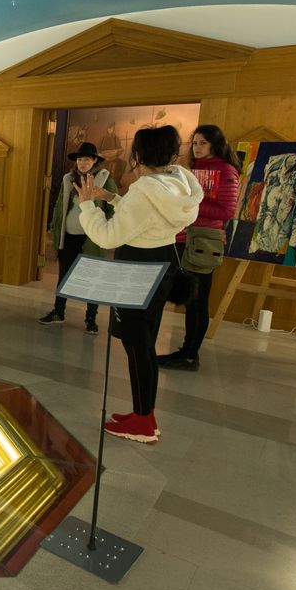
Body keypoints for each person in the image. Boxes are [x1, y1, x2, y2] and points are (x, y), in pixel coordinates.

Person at [75, 125, 203, 444]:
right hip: (163, 263)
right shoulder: (178, 182)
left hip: (137, 271)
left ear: (139, 155)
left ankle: (143, 422)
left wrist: (87, 205)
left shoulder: (144, 190)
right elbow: (150, 217)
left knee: (137, 346)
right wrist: (113, 198)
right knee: (144, 342)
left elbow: (107, 236)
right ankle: (145, 413)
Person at [158, 125, 240, 371]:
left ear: (216, 144)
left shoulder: (225, 170)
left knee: (197, 301)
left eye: (203, 142)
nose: (197, 147)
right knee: (184, 297)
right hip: (181, 237)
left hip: (203, 240)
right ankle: (185, 351)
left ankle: (190, 355)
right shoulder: (190, 169)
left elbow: (227, 211)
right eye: (194, 142)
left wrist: (189, 204)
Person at [38, 142, 119, 333]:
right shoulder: (69, 179)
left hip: (92, 238)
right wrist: (55, 227)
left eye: (87, 159)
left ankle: (91, 319)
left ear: (95, 161)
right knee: (64, 275)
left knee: (92, 278)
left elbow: (114, 207)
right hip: (69, 236)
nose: (82, 163)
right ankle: (59, 312)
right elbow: (60, 206)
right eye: (80, 159)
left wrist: (107, 229)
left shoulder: (105, 179)